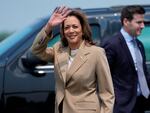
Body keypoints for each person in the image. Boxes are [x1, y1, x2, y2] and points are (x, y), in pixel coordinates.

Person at [31, 6, 114, 113]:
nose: (71, 31)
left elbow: (107, 93)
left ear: (83, 30)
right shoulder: (58, 50)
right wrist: (49, 26)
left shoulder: (96, 53)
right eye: (67, 27)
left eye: (75, 26)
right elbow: (36, 49)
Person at [101, 5, 150, 113]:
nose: (143, 26)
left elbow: (143, 74)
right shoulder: (112, 45)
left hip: (140, 105)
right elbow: (102, 78)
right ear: (126, 21)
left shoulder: (139, 44)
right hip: (121, 107)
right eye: (139, 22)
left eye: (143, 22)